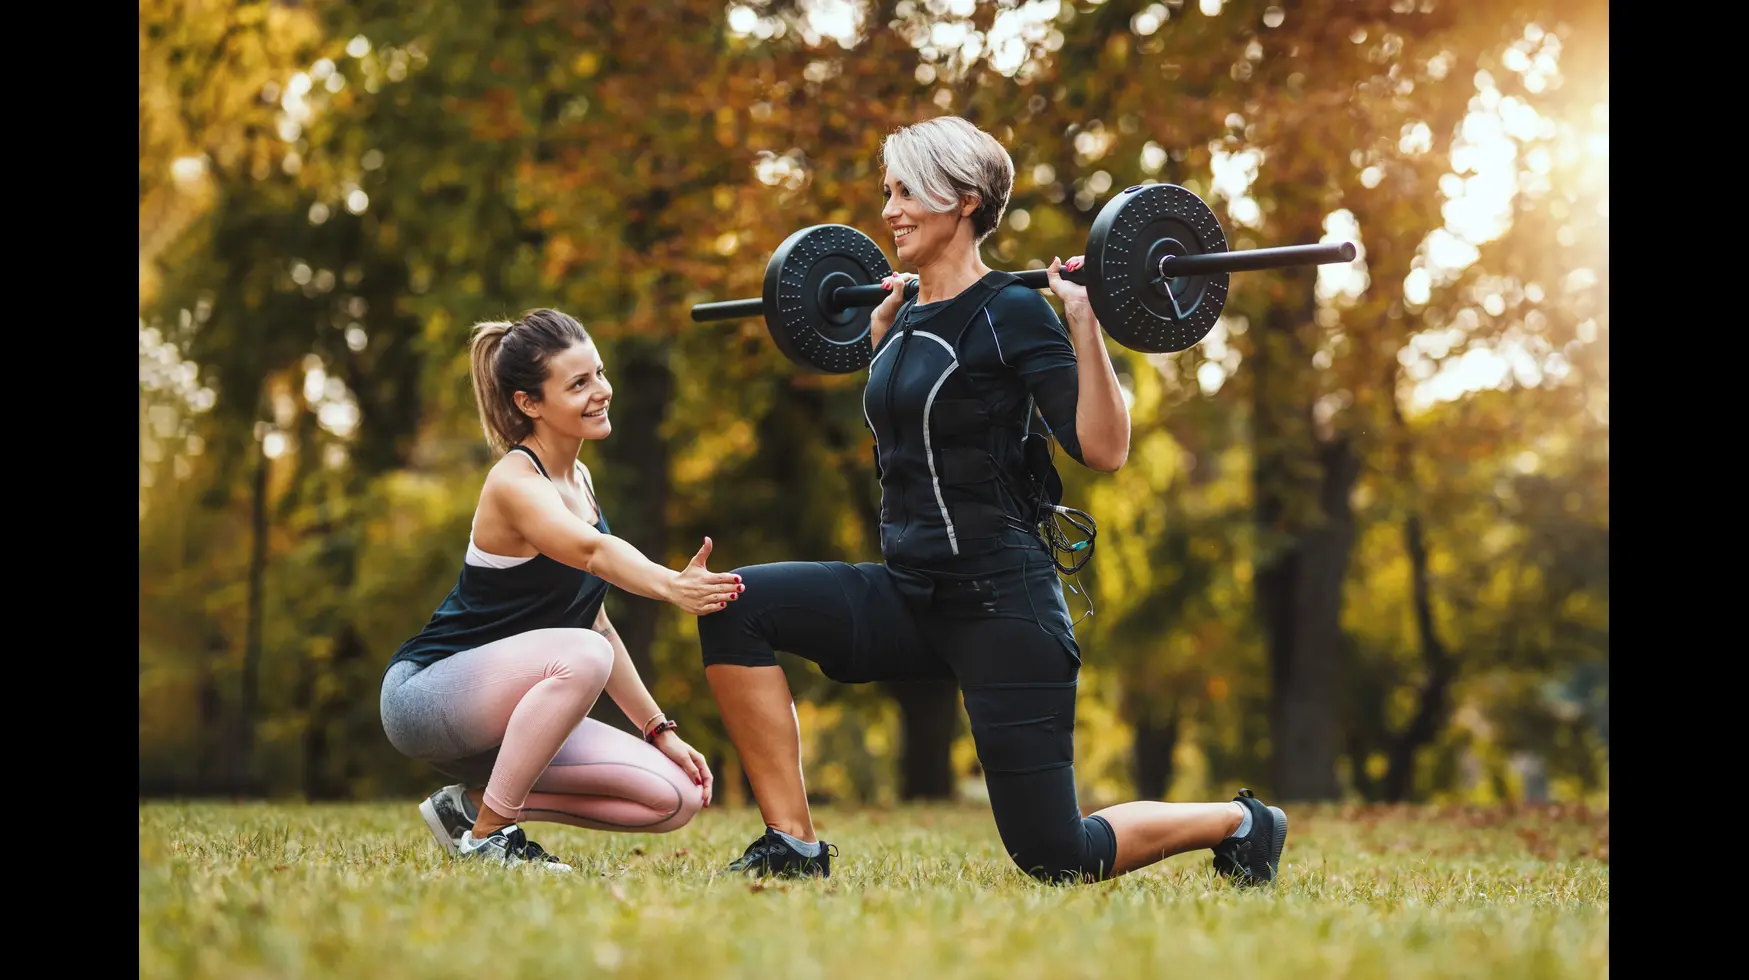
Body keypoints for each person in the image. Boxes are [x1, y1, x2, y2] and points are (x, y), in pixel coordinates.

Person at [696, 116, 1288, 885]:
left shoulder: (1012, 310)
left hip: (999, 604)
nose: (889, 211)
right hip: (910, 593)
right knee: (733, 604)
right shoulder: (900, 316)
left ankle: (1242, 824)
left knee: (1056, 857)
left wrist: (1084, 323)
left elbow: (1103, 449)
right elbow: (917, 440)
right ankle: (794, 845)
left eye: (908, 192)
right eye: (888, 191)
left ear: (965, 201)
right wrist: (878, 343)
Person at [380, 308, 740, 872]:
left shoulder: (582, 480)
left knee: (676, 798)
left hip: (519, 709)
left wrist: (658, 729)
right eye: (578, 384)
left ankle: (469, 810)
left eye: (599, 373)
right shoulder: (514, 483)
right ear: (530, 403)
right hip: (427, 697)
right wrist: (673, 585)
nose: (601, 391)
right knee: (584, 655)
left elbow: (596, 622)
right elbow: (594, 554)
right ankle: (490, 839)